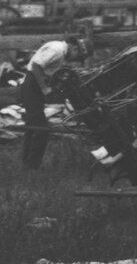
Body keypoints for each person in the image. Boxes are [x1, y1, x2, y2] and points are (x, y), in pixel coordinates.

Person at [20, 35, 91, 169]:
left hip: (34, 85)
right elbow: (36, 66)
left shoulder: (60, 52)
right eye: (76, 57)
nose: (73, 60)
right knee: (41, 129)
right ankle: (31, 167)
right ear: (75, 48)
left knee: (32, 127)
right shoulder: (57, 49)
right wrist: (44, 88)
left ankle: (26, 164)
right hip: (32, 85)